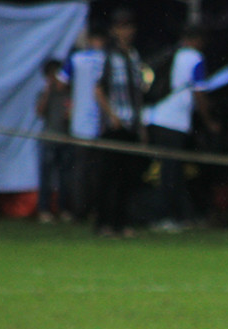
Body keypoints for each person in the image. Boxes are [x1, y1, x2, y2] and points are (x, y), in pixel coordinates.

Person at [143, 24, 220, 232]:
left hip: (156, 116)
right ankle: (161, 217)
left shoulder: (171, 54)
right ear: (197, 40)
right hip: (173, 121)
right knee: (169, 172)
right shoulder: (194, 58)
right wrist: (208, 120)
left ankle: (182, 215)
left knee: (173, 171)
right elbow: (199, 93)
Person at [94, 8, 144, 238]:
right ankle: (104, 223)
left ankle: (122, 223)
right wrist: (111, 115)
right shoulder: (107, 55)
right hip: (113, 125)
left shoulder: (134, 56)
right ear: (114, 30)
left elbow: (138, 93)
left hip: (131, 123)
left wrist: (140, 124)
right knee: (108, 178)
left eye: (129, 27)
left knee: (128, 179)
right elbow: (98, 89)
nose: (127, 32)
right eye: (122, 27)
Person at [58, 27, 107, 222]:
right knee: (97, 170)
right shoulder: (107, 59)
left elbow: (60, 83)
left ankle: (78, 210)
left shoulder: (76, 59)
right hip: (101, 123)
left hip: (79, 122)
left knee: (78, 170)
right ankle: (96, 209)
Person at [35, 59, 72, 223]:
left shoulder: (68, 93)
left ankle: (63, 209)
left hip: (65, 139)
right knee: (46, 177)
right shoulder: (44, 94)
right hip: (48, 139)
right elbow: (40, 112)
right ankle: (44, 210)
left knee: (65, 177)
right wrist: (48, 91)